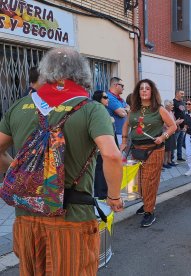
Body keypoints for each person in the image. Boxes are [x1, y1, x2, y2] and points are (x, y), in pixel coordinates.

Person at [0, 48, 123, 275]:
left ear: (46, 73)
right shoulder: (92, 110)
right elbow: (112, 155)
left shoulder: (19, 106)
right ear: (83, 76)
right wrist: (114, 197)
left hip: (27, 217)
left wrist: (24, 172)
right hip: (72, 217)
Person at [120, 79, 177, 227]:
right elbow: (126, 125)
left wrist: (163, 136)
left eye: (147, 88)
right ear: (138, 92)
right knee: (139, 181)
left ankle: (149, 212)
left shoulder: (159, 109)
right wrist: (124, 142)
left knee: (149, 182)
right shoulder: (133, 109)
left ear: (152, 92)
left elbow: (172, 126)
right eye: (141, 89)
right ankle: (147, 203)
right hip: (136, 150)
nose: (144, 91)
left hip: (154, 150)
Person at [92, 90, 114, 199]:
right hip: (101, 146)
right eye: (105, 97)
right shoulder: (98, 110)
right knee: (100, 169)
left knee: (102, 169)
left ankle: (101, 193)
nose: (107, 99)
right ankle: (101, 194)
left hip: (104, 146)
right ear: (99, 99)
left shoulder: (101, 109)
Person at [107, 77, 130, 145]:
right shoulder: (109, 97)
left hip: (121, 134)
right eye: (122, 86)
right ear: (116, 85)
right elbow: (122, 113)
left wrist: (125, 110)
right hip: (115, 134)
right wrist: (125, 110)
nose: (123, 88)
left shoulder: (120, 99)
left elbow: (130, 109)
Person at [163, 100, 178, 168]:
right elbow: (163, 123)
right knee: (167, 148)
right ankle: (165, 162)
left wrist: (176, 122)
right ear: (167, 106)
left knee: (171, 147)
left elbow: (173, 121)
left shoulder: (171, 112)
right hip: (166, 132)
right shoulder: (164, 112)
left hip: (172, 131)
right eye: (171, 105)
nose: (173, 106)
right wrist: (175, 123)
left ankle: (169, 161)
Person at [173, 90, 186, 161]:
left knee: (180, 143)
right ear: (177, 94)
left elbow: (183, 113)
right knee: (173, 143)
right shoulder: (173, 102)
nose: (183, 95)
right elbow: (172, 115)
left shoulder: (182, 102)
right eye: (181, 93)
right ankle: (171, 159)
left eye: (183, 94)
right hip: (176, 127)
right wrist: (176, 125)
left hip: (182, 127)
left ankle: (179, 156)